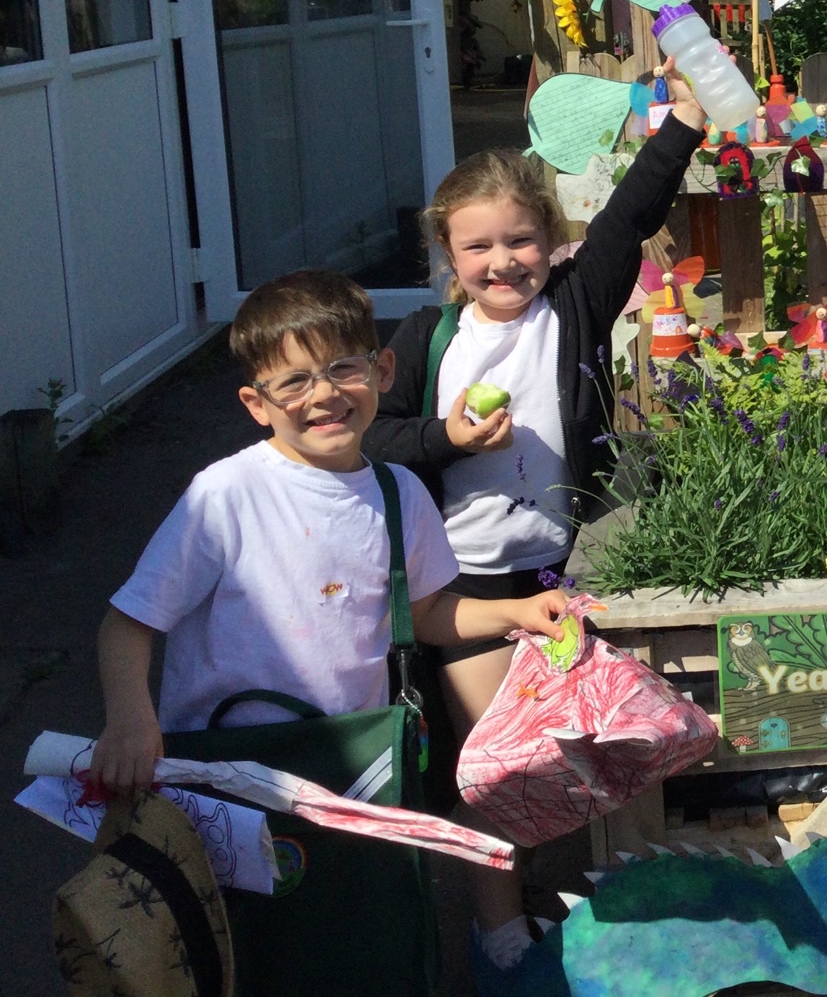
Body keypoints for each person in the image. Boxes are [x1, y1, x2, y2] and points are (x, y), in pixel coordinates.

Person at [363, 61, 706, 990]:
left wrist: (678, 123)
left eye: (520, 240)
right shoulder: (428, 342)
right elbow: (375, 433)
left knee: (575, 755)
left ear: (551, 241)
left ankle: (584, 901)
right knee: (494, 772)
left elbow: (632, 214)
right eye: (477, 248)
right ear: (447, 255)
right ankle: (501, 931)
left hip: (560, 575)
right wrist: (447, 435)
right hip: (465, 592)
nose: (501, 262)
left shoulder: (575, 305)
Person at [93, 273, 567, 943]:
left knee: (349, 941)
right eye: (294, 381)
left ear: (381, 370)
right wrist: (130, 725)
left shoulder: (399, 492)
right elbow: (128, 625)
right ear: (257, 404)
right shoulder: (226, 494)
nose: (323, 394)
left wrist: (519, 613)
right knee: (245, 948)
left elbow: (427, 615)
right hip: (226, 776)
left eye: (343, 368)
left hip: (356, 769)